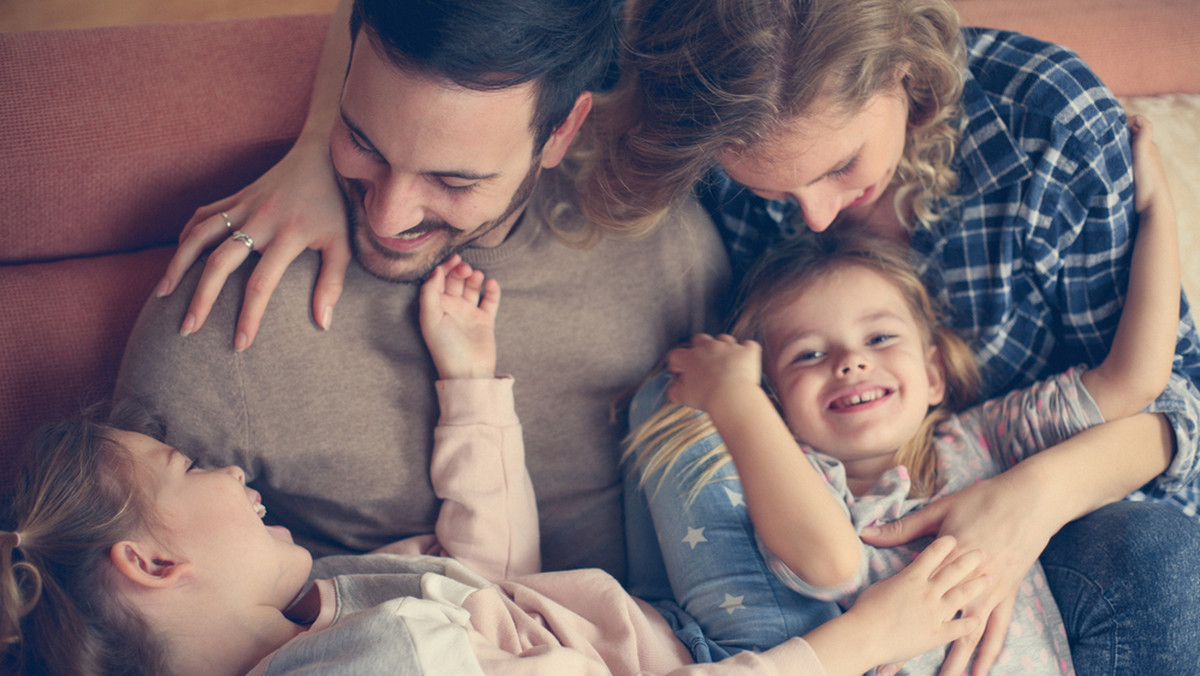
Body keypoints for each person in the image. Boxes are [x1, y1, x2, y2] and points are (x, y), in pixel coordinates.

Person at [1, 257, 988, 676]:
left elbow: (494, 576)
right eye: (185, 465)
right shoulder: (376, 664)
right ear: (153, 562)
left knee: (670, 408)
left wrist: (471, 381)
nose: (226, 471)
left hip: (676, 630)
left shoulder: (331, 607)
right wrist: (856, 643)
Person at [589, 1, 1200, 674]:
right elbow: (823, 557)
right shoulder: (802, 471)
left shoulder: (977, 441)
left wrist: (1155, 211)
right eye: (775, 189)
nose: (816, 218)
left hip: (1073, 535)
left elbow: (1150, 387)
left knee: (1161, 552)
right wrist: (740, 404)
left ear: (906, 69)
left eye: (840, 164)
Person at [114, 0, 729, 581]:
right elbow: (130, 600)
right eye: (362, 142)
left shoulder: (661, 246)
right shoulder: (231, 314)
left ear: (562, 132)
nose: (386, 217)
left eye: (452, 181)